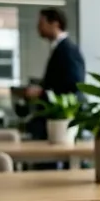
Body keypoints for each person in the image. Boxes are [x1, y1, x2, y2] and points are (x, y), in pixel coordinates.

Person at [23, 8, 85, 141]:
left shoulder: (67, 50)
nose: (38, 28)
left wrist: (41, 93)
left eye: (41, 23)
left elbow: (74, 84)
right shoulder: (59, 48)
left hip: (62, 119)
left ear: (55, 24)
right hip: (56, 119)